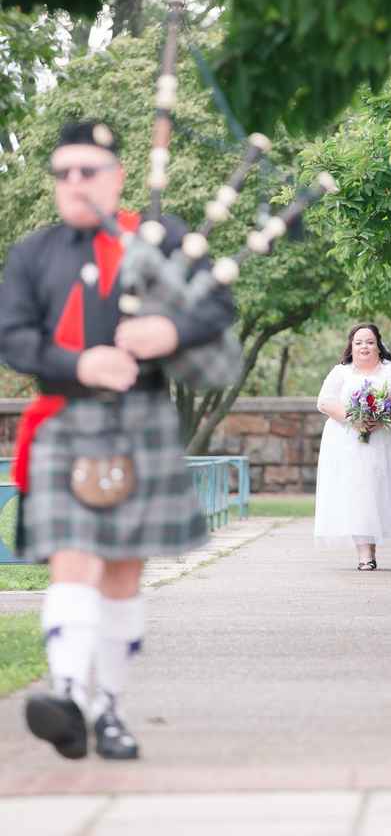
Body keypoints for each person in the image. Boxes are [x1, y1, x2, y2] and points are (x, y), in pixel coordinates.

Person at [0, 120, 235, 761]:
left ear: (118, 176)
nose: (74, 183)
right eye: (63, 173)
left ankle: (109, 712)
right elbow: (12, 335)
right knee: (74, 557)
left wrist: (170, 331)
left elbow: (218, 306)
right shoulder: (34, 254)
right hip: (65, 421)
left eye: (88, 170)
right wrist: (78, 364)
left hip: (142, 422)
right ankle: (68, 695)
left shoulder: (162, 239)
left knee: (124, 576)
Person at [314, 323, 391, 569]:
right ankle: (365, 555)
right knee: (358, 493)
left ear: (378, 345)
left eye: (369, 341)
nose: (364, 347)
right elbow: (324, 401)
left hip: (389, 442)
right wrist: (353, 419)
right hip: (349, 446)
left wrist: (383, 419)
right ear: (351, 347)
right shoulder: (341, 372)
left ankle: (376, 543)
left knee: (381, 492)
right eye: (358, 342)